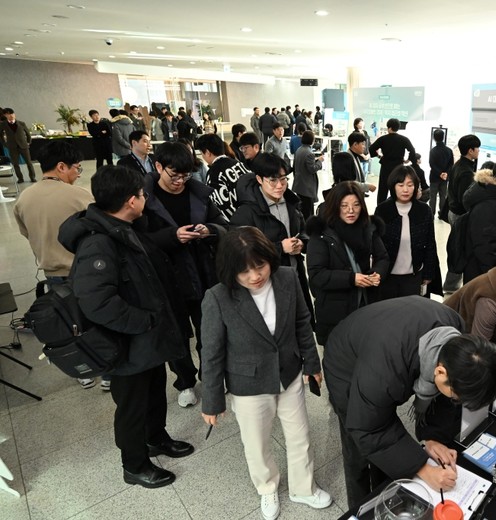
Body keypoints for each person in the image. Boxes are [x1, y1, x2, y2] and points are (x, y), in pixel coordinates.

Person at [59, 165, 193, 489]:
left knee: (154, 391)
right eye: (142, 194)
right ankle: (134, 465)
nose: (145, 198)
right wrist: (144, 321)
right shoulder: (98, 243)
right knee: (132, 406)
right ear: (131, 201)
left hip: (146, 340)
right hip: (127, 345)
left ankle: (155, 438)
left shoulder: (123, 227)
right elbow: (97, 302)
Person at [200, 227, 331, 520]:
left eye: (259, 265)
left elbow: (302, 322)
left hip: (289, 372)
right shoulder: (217, 298)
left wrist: (312, 364)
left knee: (300, 436)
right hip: (248, 384)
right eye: (244, 271)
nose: (254, 276)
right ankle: (267, 487)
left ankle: (303, 488)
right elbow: (211, 353)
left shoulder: (287, 277)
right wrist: (211, 400)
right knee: (256, 444)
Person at [324, 296, 496, 509]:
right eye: (456, 397)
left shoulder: (458, 340)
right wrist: (424, 470)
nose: (455, 401)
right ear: (440, 372)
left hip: (384, 339)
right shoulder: (384, 371)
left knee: (387, 451)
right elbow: (369, 428)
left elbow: (443, 398)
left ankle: (386, 488)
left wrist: (433, 438)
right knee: (358, 446)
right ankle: (359, 507)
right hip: (345, 363)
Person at [140, 141, 228, 407]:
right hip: (167, 280)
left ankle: (210, 376)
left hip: (203, 274)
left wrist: (209, 230)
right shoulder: (144, 199)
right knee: (176, 335)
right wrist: (172, 236)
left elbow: (223, 225)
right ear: (158, 167)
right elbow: (139, 241)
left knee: (209, 332)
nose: (180, 181)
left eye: (185, 175)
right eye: (174, 175)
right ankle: (185, 382)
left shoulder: (198, 194)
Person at [14, 140, 105, 390]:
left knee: (69, 324)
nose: (78, 174)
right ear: (61, 166)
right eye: (77, 168)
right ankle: (107, 372)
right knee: (97, 320)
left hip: (53, 275)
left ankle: (83, 371)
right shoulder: (79, 195)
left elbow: (26, 233)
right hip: (84, 271)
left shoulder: (24, 198)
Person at [231, 153, 315, 325]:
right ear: (259, 179)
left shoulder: (292, 203)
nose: (279, 186)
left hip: (294, 275)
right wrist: (279, 248)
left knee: (300, 322)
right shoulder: (246, 213)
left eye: (283, 180)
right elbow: (239, 251)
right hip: (265, 283)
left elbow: (304, 231)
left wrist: (302, 242)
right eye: (273, 180)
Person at [305, 181, 389, 345]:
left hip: (366, 305)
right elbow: (317, 274)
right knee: (338, 354)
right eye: (344, 205)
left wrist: (378, 273)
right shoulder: (321, 233)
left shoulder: (368, 228)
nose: (351, 210)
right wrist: (351, 279)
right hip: (335, 311)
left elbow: (383, 257)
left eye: (356, 205)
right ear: (335, 206)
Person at [374, 165, 438, 299]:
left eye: (410, 185)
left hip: (414, 276)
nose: (405, 189)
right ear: (393, 186)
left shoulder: (424, 210)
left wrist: (428, 273)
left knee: (412, 310)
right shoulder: (383, 210)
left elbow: (430, 244)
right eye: (400, 185)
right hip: (387, 276)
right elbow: (375, 246)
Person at [443, 134, 481, 292]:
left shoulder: (459, 164)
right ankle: (451, 286)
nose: (479, 151)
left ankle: (451, 285)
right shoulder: (466, 171)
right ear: (470, 150)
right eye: (477, 148)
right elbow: (464, 199)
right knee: (459, 250)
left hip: (453, 211)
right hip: (460, 214)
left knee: (457, 248)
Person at [195, 133, 252, 219]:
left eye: (201, 153)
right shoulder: (239, 164)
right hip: (255, 214)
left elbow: (222, 207)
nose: (202, 157)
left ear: (207, 152)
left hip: (240, 221)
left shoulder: (214, 174)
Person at [368, 118, 416, 203]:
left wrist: (378, 156)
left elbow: (371, 148)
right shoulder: (404, 139)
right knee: (397, 187)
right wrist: (408, 160)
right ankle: (396, 205)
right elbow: (412, 150)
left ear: (389, 128)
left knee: (383, 189)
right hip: (398, 167)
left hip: (386, 166)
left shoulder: (383, 139)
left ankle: (380, 207)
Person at [292, 130, 325, 220]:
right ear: (312, 140)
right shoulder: (309, 153)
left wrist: (315, 160)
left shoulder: (299, 150)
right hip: (306, 187)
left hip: (299, 185)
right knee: (308, 212)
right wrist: (320, 161)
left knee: (302, 210)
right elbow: (312, 169)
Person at [0, 108, 36, 182]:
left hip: (23, 146)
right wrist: (4, 143)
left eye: (12, 114)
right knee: (15, 164)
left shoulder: (21, 123)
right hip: (12, 147)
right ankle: (20, 179)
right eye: (8, 114)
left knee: (29, 163)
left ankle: (32, 177)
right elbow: (0, 135)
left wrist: (28, 142)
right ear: (5, 115)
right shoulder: (3, 124)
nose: (11, 115)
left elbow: (28, 134)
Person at [428, 128, 453, 220]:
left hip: (434, 177)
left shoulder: (433, 151)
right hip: (445, 178)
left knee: (433, 196)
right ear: (443, 137)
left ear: (434, 138)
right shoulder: (449, 150)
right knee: (443, 196)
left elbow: (432, 164)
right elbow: (451, 164)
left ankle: (431, 214)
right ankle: (442, 214)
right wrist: (445, 173)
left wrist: (439, 173)